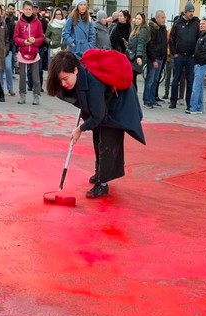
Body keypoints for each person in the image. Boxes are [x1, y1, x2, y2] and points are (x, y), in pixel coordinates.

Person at [46, 50, 145, 198]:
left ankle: (103, 184)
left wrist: (80, 129)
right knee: (97, 136)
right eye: (60, 80)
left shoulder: (93, 82)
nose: (63, 83)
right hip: (105, 105)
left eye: (65, 79)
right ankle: (100, 172)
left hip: (118, 107)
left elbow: (98, 116)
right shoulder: (79, 77)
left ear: (75, 69)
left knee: (107, 143)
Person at [167, 2, 198, 109]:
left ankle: (189, 103)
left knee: (190, 81)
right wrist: (174, 53)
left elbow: (198, 39)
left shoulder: (195, 23)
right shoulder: (178, 23)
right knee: (176, 80)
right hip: (179, 56)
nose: (191, 13)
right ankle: (173, 101)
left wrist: (195, 53)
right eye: (190, 11)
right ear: (185, 11)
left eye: (193, 11)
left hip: (190, 57)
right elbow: (171, 39)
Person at [14, 0, 43, 104]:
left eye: (29, 9)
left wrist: (35, 41)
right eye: (26, 9)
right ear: (23, 9)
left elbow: (41, 37)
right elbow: (16, 38)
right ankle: (22, 95)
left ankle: (36, 95)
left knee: (36, 76)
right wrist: (24, 42)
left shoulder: (38, 22)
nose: (28, 11)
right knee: (22, 76)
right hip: (22, 52)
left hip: (34, 52)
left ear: (32, 10)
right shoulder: (19, 23)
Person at [185, 17, 206, 114]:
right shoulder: (202, 35)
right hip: (199, 63)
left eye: (203, 24)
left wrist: (199, 61)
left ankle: (193, 107)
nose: (201, 25)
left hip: (201, 64)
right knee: (199, 86)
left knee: (196, 87)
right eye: (200, 24)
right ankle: (199, 107)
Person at [143, 9, 166, 108]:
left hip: (161, 58)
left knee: (156, 80)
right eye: (162, 17)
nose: (164, 19)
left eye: (164, 17)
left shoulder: (163, 29)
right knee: (150, 80)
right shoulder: (152, 29)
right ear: (156, 18)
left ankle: (152, 99)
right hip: (154, 58)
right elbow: (150, 45)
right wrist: (153, 59)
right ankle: (147, 100)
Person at [126, 12, 149, 90]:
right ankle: (132, 96)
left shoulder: (143, 30)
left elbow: (141, 44)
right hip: (132, 56)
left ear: (143, 20)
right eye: (136, 18)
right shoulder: (135, 29)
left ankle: (133, 96)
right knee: (132, 78)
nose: (137, 20)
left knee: (133, 78)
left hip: (136, 57)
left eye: (139, 19)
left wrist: (139, 56)